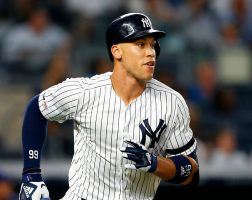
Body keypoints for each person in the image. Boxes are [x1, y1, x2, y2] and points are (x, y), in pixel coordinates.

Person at [19, 13, 199, 200]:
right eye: (141, 44)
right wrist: (31, 175)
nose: (150, 52)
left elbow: (191, 173)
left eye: (152, 44)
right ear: (116, 51)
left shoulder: (172, 101)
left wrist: (154, 163)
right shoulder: (85, 91)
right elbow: (37, 109)